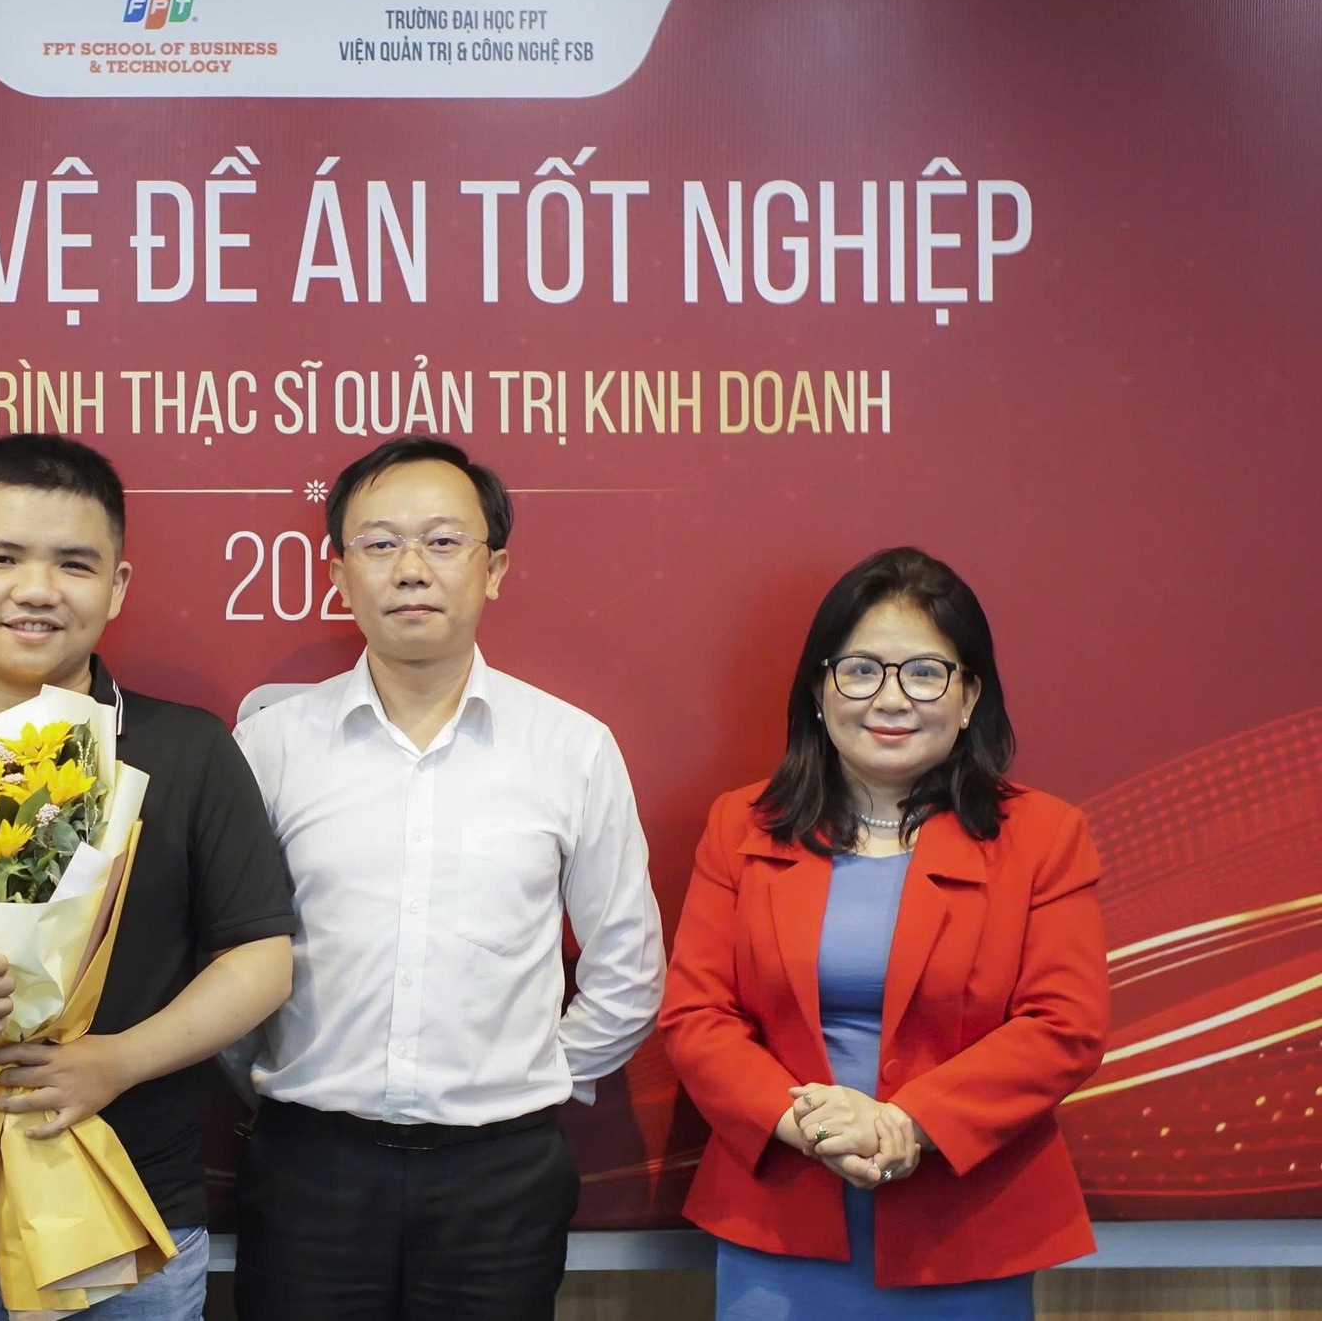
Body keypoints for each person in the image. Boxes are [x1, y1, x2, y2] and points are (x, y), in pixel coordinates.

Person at [0, 432, 295, 1320]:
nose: (36, 590)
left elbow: (260, 960)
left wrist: (114, 1063)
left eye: (74, 564)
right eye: (1, 558)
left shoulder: (188, 750)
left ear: (117, 585)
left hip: (130, 1214)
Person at [230, 435, 666, 1321]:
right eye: (380, 543)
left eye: (442, 541)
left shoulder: (570, 748)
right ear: (338, 573)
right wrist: (277, 1078)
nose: (411, 569)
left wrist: (530, 1079)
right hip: (310, 1170)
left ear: (493, 568)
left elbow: (629, 965)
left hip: (501, 1180)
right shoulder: (269, 748)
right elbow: (225, 958)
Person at [659, 546, 1110, 1320]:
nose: (890, 698)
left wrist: (909, 1122)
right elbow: (697, 1016)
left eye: (925, 673)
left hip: (966, 1225)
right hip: (782, 1210)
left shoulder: (1043, 835)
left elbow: (1064, 1026)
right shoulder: (741, 825)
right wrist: (811, 1127)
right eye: (861, 670)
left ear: (969, 696)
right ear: (819, 691)